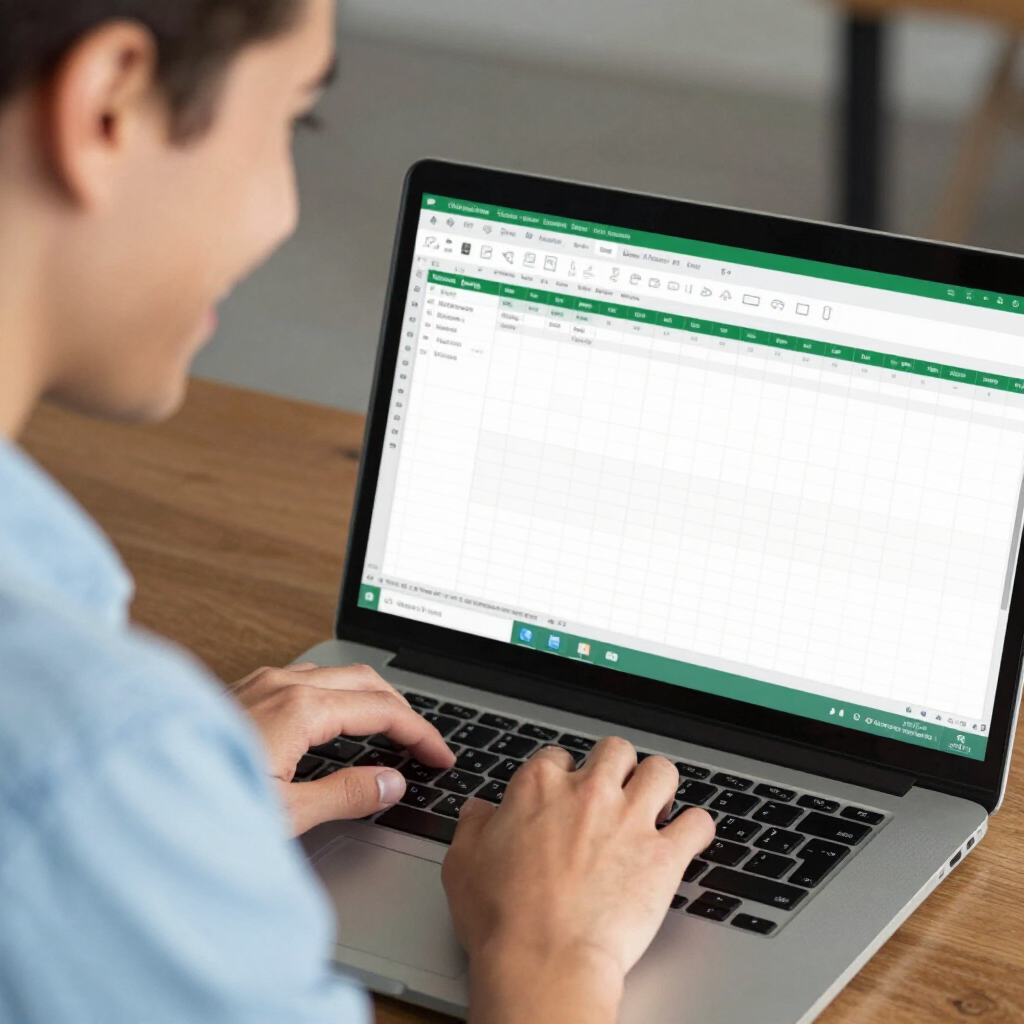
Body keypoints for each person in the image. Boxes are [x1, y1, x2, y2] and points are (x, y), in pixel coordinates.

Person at [0, 3, 715, 1022]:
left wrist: (175, 802)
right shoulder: (86, 762)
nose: (286, 212)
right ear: (108, 102)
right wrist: (550, 952)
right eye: (297, 118)